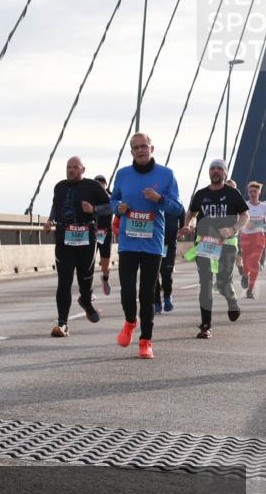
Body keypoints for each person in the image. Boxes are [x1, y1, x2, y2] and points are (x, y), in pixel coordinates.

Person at [108, 132, 183, 359]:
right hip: (128, 242)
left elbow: (178, 209)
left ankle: (145, 341)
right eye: (135, 147)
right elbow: (113, 200)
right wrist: (117, 208)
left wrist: (159, 199)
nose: (140, 150)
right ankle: (131, 322)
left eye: (144, 146)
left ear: (152, 148)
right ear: (131, 151)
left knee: (147, 295)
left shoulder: (166, 175)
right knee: (128, 293)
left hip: (152, 244)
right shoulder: (123, 175)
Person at [179, 159, 249, 338]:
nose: (215, 171)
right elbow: (191, 213)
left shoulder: (233, 194)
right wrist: (188, 225)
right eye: (212, 169)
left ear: (224, 173)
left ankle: (232, 300)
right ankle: (205, 326)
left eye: (219, 168)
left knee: (223, 281)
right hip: (206, 243)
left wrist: (233, 229)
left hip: (227, 244)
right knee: (205, 283)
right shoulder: (201, 194)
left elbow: (244, 216)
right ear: (209, 173)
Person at [43, 157, 108, 336]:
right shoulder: (60, 186)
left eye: (75, 167)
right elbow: (56, 206)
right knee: (64, 280)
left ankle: (86, 301)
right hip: (64, 237)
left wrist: (93, 210)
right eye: (68, 167)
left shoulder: (93, 186)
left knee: (85, 278)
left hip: (86, 237)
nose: (70, 170)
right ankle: (62, 323)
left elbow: (110, 207)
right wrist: (50, 221)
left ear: (83, 169)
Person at [240, 181, 265, 298]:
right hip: (245, 237)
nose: (252, 193)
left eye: (255, 191)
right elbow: (240, 221)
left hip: (259, 237)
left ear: (259, 192)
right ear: (248, 193)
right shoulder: (243, 205)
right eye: (250, 192)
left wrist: (255, 222)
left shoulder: (264, 206)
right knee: (246, 262)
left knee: (254, 263)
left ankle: (250, 290)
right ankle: (245, 275)